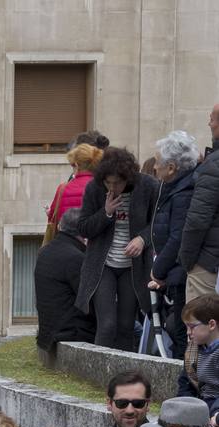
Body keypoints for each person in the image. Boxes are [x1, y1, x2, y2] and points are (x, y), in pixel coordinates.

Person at [76, 146, 160, 351]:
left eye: (117, 183)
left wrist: (142, 239)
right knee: (107, 324)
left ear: (128, 178)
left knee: (126, 325)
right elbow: (84, 227)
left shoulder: (148, 186)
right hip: (102, 265)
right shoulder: (94, 189)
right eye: (108, 182)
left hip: (133, 268)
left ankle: (124, 376)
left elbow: (159, 223)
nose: (112, 187)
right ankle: (98, 371)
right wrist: (105, 213)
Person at [148, 131, 201, 355]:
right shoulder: (175, 188)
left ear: (171, 168)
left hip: (180, 272)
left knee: (182, 332)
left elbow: (177, 237)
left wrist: (158, 271)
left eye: (158, 162)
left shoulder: (183, 193)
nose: (154, 167)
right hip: (175, 271)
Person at [35, 207, 94, 356]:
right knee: (132, 328)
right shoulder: (76, 257)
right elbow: (89, 303)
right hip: (70, 331)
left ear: (61, 226)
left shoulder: (44, 252)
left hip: (49, 331)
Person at [179, 103, 219, 302]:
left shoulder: (213, 165)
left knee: (201, 327)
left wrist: (187, 260)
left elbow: (198, 220)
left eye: (212, 119)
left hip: (208, 263)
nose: (209, 124)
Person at [177, 293, 219, 423]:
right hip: (201, 404)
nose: (188, 333)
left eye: (191, 327)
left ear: (211, 325)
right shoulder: (193, 350)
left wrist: (215, 413)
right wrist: (187, 405)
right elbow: (185, 383)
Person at [46, 141, 104, 226]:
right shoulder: (102, 187)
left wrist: (49, 213)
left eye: (72, 165)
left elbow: (53, 219)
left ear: (76, 165)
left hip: (67, 237)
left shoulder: (62, 188)